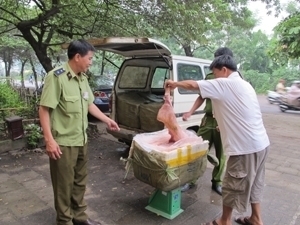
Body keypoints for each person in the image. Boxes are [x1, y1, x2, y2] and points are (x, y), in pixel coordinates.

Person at [165, 55, 270, 225]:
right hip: (261, 145)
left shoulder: (226, 83)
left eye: (215, 73)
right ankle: (256, 219)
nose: (214, 78)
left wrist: (174, 84)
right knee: (255, 183)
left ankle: (224, 221)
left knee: (231, 185)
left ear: (224, 70)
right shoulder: (245, 84)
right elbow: (243, 112)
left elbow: (193, 85)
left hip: (245, 149)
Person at [39, 39, 120, 225]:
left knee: (79, 182)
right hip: (63, 143)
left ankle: (79, 218)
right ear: (77, 57)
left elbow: (89, 104)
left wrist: (107, 120)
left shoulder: (82, 78)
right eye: (90, 58)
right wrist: (49, 140)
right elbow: (44, 109)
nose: (91, 62)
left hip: (80, 139)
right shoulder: (56, 77)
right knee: (63, 186)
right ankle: (65, 221)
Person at [181, 47, 234, 196]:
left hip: (222, 122)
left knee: (221, 155)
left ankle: (217, 182)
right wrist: (190, 112)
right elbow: (201, 96)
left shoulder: (236, 81)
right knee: (198, 151)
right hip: (207, 120)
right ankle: (190, 180)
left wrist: (227, 123)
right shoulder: (211, 77)